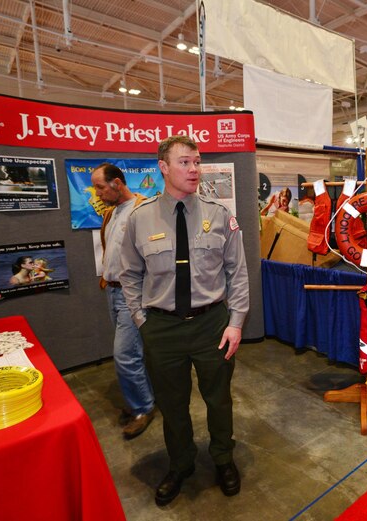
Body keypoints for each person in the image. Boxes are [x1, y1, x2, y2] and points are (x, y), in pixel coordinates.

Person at [119, 136, 249, 506]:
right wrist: (142, 320)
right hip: (162, 329)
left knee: (219, 400)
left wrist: (236, 322)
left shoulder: (219, 215)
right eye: (185, 163)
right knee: (172, 405)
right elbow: (129, 275)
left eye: (197, 162)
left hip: (212, 325)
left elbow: (236, 272)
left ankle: (223, 458)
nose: (194, 170)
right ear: (163, 167)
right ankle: (181, 464)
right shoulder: (139, 219)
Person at [91, 162, 156, 440]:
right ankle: (143, 398)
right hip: (112, 291)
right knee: (134, 353)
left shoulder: (144, 210)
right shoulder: (110, 214)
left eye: (101, 187)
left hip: (133, 294)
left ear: (118, 183)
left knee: (125, 355)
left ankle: (143, 408)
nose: (97, 194)